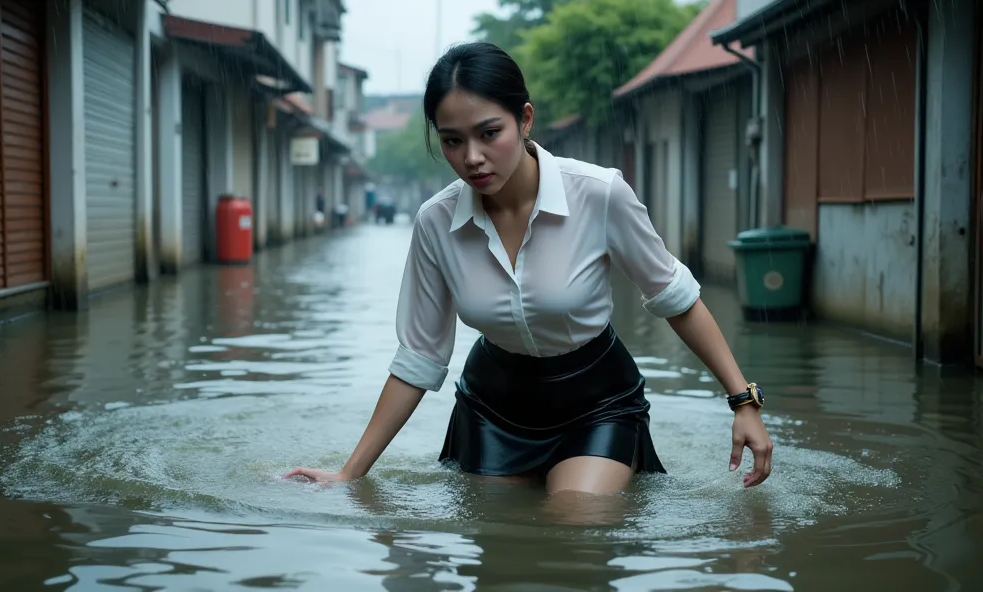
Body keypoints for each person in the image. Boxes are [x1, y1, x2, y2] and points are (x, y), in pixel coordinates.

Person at [284, 42, 773, 495]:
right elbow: (419, 356)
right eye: (452, 141)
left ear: (525, 119)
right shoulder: (436, 221)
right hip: (495, 407)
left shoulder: (599, 194)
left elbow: (676, 299)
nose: (472, 158)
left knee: (578, 514)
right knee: (499, 536)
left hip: (597, 401)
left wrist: (743, 402)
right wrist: (350, 474)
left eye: (489, 133)